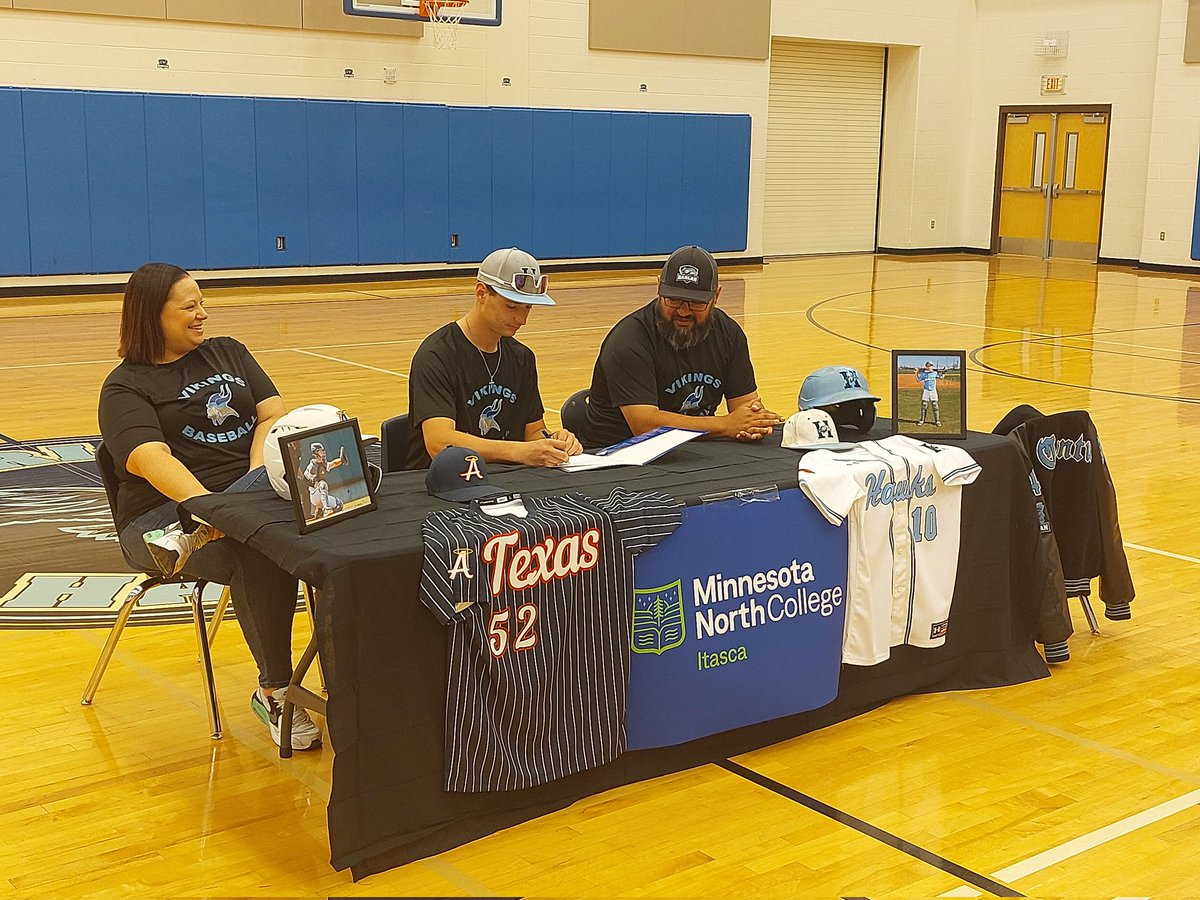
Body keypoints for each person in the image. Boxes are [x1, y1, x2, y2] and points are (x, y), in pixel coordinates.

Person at [97, 262, 321, 751]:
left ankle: (345, 671)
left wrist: (246, 486)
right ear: (152, 316)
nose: (203, 314)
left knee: (328, 525)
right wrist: (213, 509)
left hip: (248, 493)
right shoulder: (124, 387)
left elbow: (272, 414)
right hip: (160, 517)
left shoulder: (229, 351)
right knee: (257, 550)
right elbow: (149, 459)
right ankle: (276, 689)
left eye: (202, 303)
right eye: (189, 306)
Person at [580, 245, 782, 448]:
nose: (683, 311)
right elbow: (644, 425)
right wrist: (724, 424)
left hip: (694, 449)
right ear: (659, 288)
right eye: (674, 299)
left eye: (696, 302)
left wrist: (754, 422)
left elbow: (745, 405)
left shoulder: (728, 333)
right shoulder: (628, 340)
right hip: (618, 454)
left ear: (716, 296)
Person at [405, 247, 583, 469]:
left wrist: (554, 442)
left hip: (503, 478)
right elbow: (439, 443)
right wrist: (518, 451)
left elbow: (534, 431)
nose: (521, 319)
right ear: (481, 293)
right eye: (511, 306)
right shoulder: (436, 356)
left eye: (528, 308)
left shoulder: (522, 357)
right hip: (441, 483)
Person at [302, 441, 345, 518]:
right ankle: (326, 509)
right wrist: (314, 484)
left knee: (339, 504)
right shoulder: (312, 466)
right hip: (314, 495)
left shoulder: (322, 464)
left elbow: (333, 463)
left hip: (320, 496)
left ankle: (319, 510)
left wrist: (341, 460)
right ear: (315, 453)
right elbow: (304, 480)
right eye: (321, 450)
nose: (323, 452)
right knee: (322, 484)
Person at [915, 361, 943, 426]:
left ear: (932, 366)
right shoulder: (924, 374)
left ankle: (937, 421)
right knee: (924, 406)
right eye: (928, 366)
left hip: (933, 391)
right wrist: (916, 373)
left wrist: (943, 373)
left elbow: (941, 377)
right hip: (926, 391)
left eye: (930, 366)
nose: (929, 367)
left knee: (935, 406)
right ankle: (922, 420)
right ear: (926, 366)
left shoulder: (935, 373)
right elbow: (918, 380)